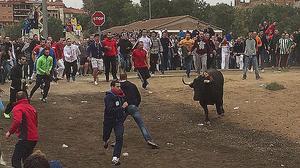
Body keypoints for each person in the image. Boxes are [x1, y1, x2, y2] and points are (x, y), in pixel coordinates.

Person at [119, 74, 159, 148]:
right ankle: (149, 139)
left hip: (124, 108)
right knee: (141, 124)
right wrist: (136, 105)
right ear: (126, 77)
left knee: (119, 124)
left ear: (120, 78)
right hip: (133, 107)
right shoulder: (132, 85)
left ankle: (117, 141)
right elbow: (139, 97)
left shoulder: (119, 86)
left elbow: (118, 98)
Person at [5, 91, 38, 168]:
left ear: (16, 99)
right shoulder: (32, 108)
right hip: (34, 138)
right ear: (26, 98)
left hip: (25, 138)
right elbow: (36, 123)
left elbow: (17, 121)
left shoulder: (17, 108)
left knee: (15, 159)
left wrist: (10, 132)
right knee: (27, 160)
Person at [103, 81, 128, 166]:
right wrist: (122, 108)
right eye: (117, 86)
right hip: (109, 120)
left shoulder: (122, 95)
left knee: (119, 137)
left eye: (120, 86)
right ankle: (105, 141)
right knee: (106, 135)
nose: (119, 88)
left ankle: (115, 158)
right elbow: (109, 111)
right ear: (112, 87)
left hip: (118, 121)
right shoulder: (108, 97)